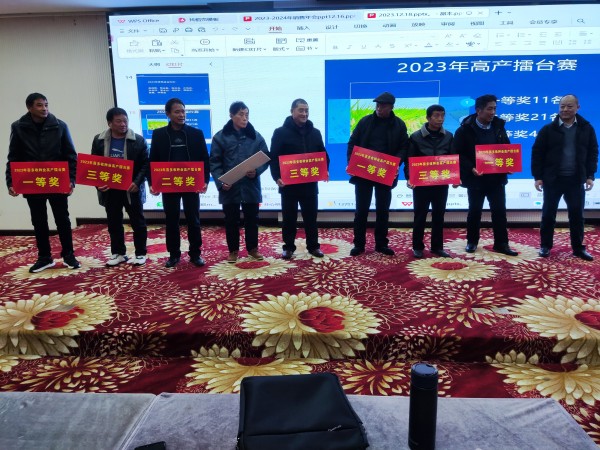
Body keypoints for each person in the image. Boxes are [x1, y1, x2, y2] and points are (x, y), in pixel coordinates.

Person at [6, 93, 80, 273]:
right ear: (29, 107)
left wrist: (71, 180)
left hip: (57, 181)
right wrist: (11, 181)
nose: (44, 108)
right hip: (33, 182)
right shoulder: (18, 127)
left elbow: (71, 155)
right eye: (39, 105)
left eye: (46, 104)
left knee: (62, 219)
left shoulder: (60, 126)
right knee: (39, 221)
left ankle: (69, 255)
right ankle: (45, 258)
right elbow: (13, 157)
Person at [531, 94, 598, 261]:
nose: (565, 109)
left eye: (569, 106)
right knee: (548, 215)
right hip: (553, 180)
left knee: (577, 216)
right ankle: (545, 246)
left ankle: (578, 248)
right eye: (562, 106)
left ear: (577, 108)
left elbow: (593, 153)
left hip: (575, 180)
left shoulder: (586, 128)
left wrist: (590, 175)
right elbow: (537, 153)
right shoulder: (548, 129)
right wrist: (538, 177)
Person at [452, 94, 518, 256]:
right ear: (478, 110)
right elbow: (458, 153)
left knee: (499, 212)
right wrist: (471, 168)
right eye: (489, 109)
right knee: (474, 212)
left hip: (496, 179)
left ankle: (501, 244)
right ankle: (472, 241)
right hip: (476, 179)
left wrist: (509, 165)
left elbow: (506, 148)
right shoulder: (464, 129)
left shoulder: (499, 126)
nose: (493, 112)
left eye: (495, 108)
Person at [149, 98, 210, 268]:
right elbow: (153, 160)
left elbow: (205, 159)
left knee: (193, 220)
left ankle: (195, 254)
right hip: (169, 184)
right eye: (177, 112)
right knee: (171, 220)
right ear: (168, 114)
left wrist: (205, 180)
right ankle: (174, 254)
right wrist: (152, 183)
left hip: (191, 183)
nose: (181, 115)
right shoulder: (159, 134)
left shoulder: (196, 133)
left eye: (183, 111)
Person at [347, 92, 408, 257]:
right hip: (363, 172)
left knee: (383, 211)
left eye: (383, 106)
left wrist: (397, 163)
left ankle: (381, 244)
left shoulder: (399, 125)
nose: (379, 108)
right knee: (361, 210)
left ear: (391, 107)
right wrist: (351, 163)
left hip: (385, 173)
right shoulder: (365, 121)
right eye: (378, 105)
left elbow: (404, 147)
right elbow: (352, 143)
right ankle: (359, 244)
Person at [210, 101, 269, 264]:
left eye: (247, 114)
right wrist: (221, 182)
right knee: (231, 220)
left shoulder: (255, 136)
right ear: (231, 115)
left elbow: (266, 157)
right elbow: (214, 162)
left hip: (250, 186)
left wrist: (256, 171)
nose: (245, 118)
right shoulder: (220, 137)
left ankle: (253, 249)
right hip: (229, 187)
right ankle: (233, 251)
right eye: (241, 114)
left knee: (252, 219)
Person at [270, 99, 330, 260]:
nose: (304, 114)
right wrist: (277, 177)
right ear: (292, 111)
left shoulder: (315, 132)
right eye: (301, 110)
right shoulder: (280, 132)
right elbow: (274, 157)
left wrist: (325, 169)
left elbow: (323, 155)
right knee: (289, 219)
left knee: (311, 218)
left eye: (306, 110)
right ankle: (288, 247)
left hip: (309, 185)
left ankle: (314, 246)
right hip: (289, 185)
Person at [92, 107, 149, 266]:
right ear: (109, 123)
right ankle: (118, 253)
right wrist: (98, 184)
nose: (123, 124)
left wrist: (137, 182)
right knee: (114, 223)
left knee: (138, 222)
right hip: (110, 190)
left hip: (131, 189)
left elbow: (145, 164)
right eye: (118, 121)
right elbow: (94, 164)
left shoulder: (138, 140)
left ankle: (140, 253)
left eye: (125, 121)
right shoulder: (99, 140)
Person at [406, 104, 454, 258]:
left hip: (441, 183)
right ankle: (417, 246)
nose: (440, 119)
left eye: (443, 115)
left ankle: (437, 247)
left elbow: (453, 159)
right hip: (422, 184)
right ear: (428, 118)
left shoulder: (449, 136)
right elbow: (409, 161)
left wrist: (456, 177)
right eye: (436, 115)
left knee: (439, 215)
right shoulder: (415, 137)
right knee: (420, 215)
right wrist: (409, 178)